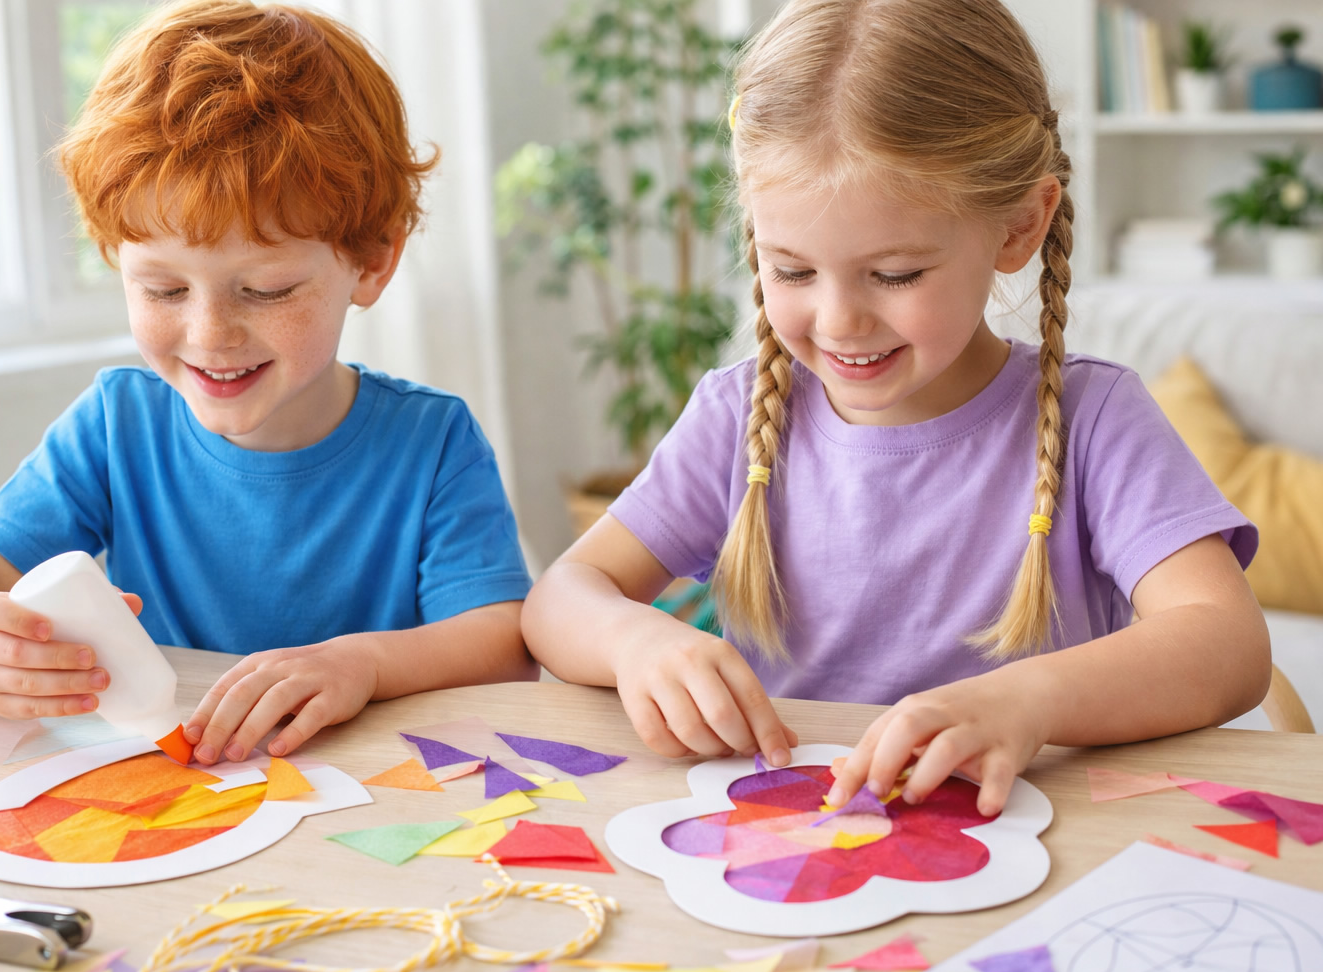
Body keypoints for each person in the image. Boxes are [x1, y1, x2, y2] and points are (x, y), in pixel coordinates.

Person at [522, 0, 1270, 816]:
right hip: (790, 847)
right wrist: (635, 640)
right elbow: (562, 596)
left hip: (1035, 846)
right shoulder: (735, 419)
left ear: (1020, 225)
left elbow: (1227, 644)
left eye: (897, 274)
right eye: (794, 272)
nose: (840, 321)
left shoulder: (1096, 416)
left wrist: (1030, 701)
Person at [0, 0, 536, 765]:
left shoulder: (432, 442)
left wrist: (362, 664)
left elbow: (502, 645)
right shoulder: (114, 427)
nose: (209, 335)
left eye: (264, 290)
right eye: (164, 290)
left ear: (370, 262)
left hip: (379, 800)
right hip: (182, 797)